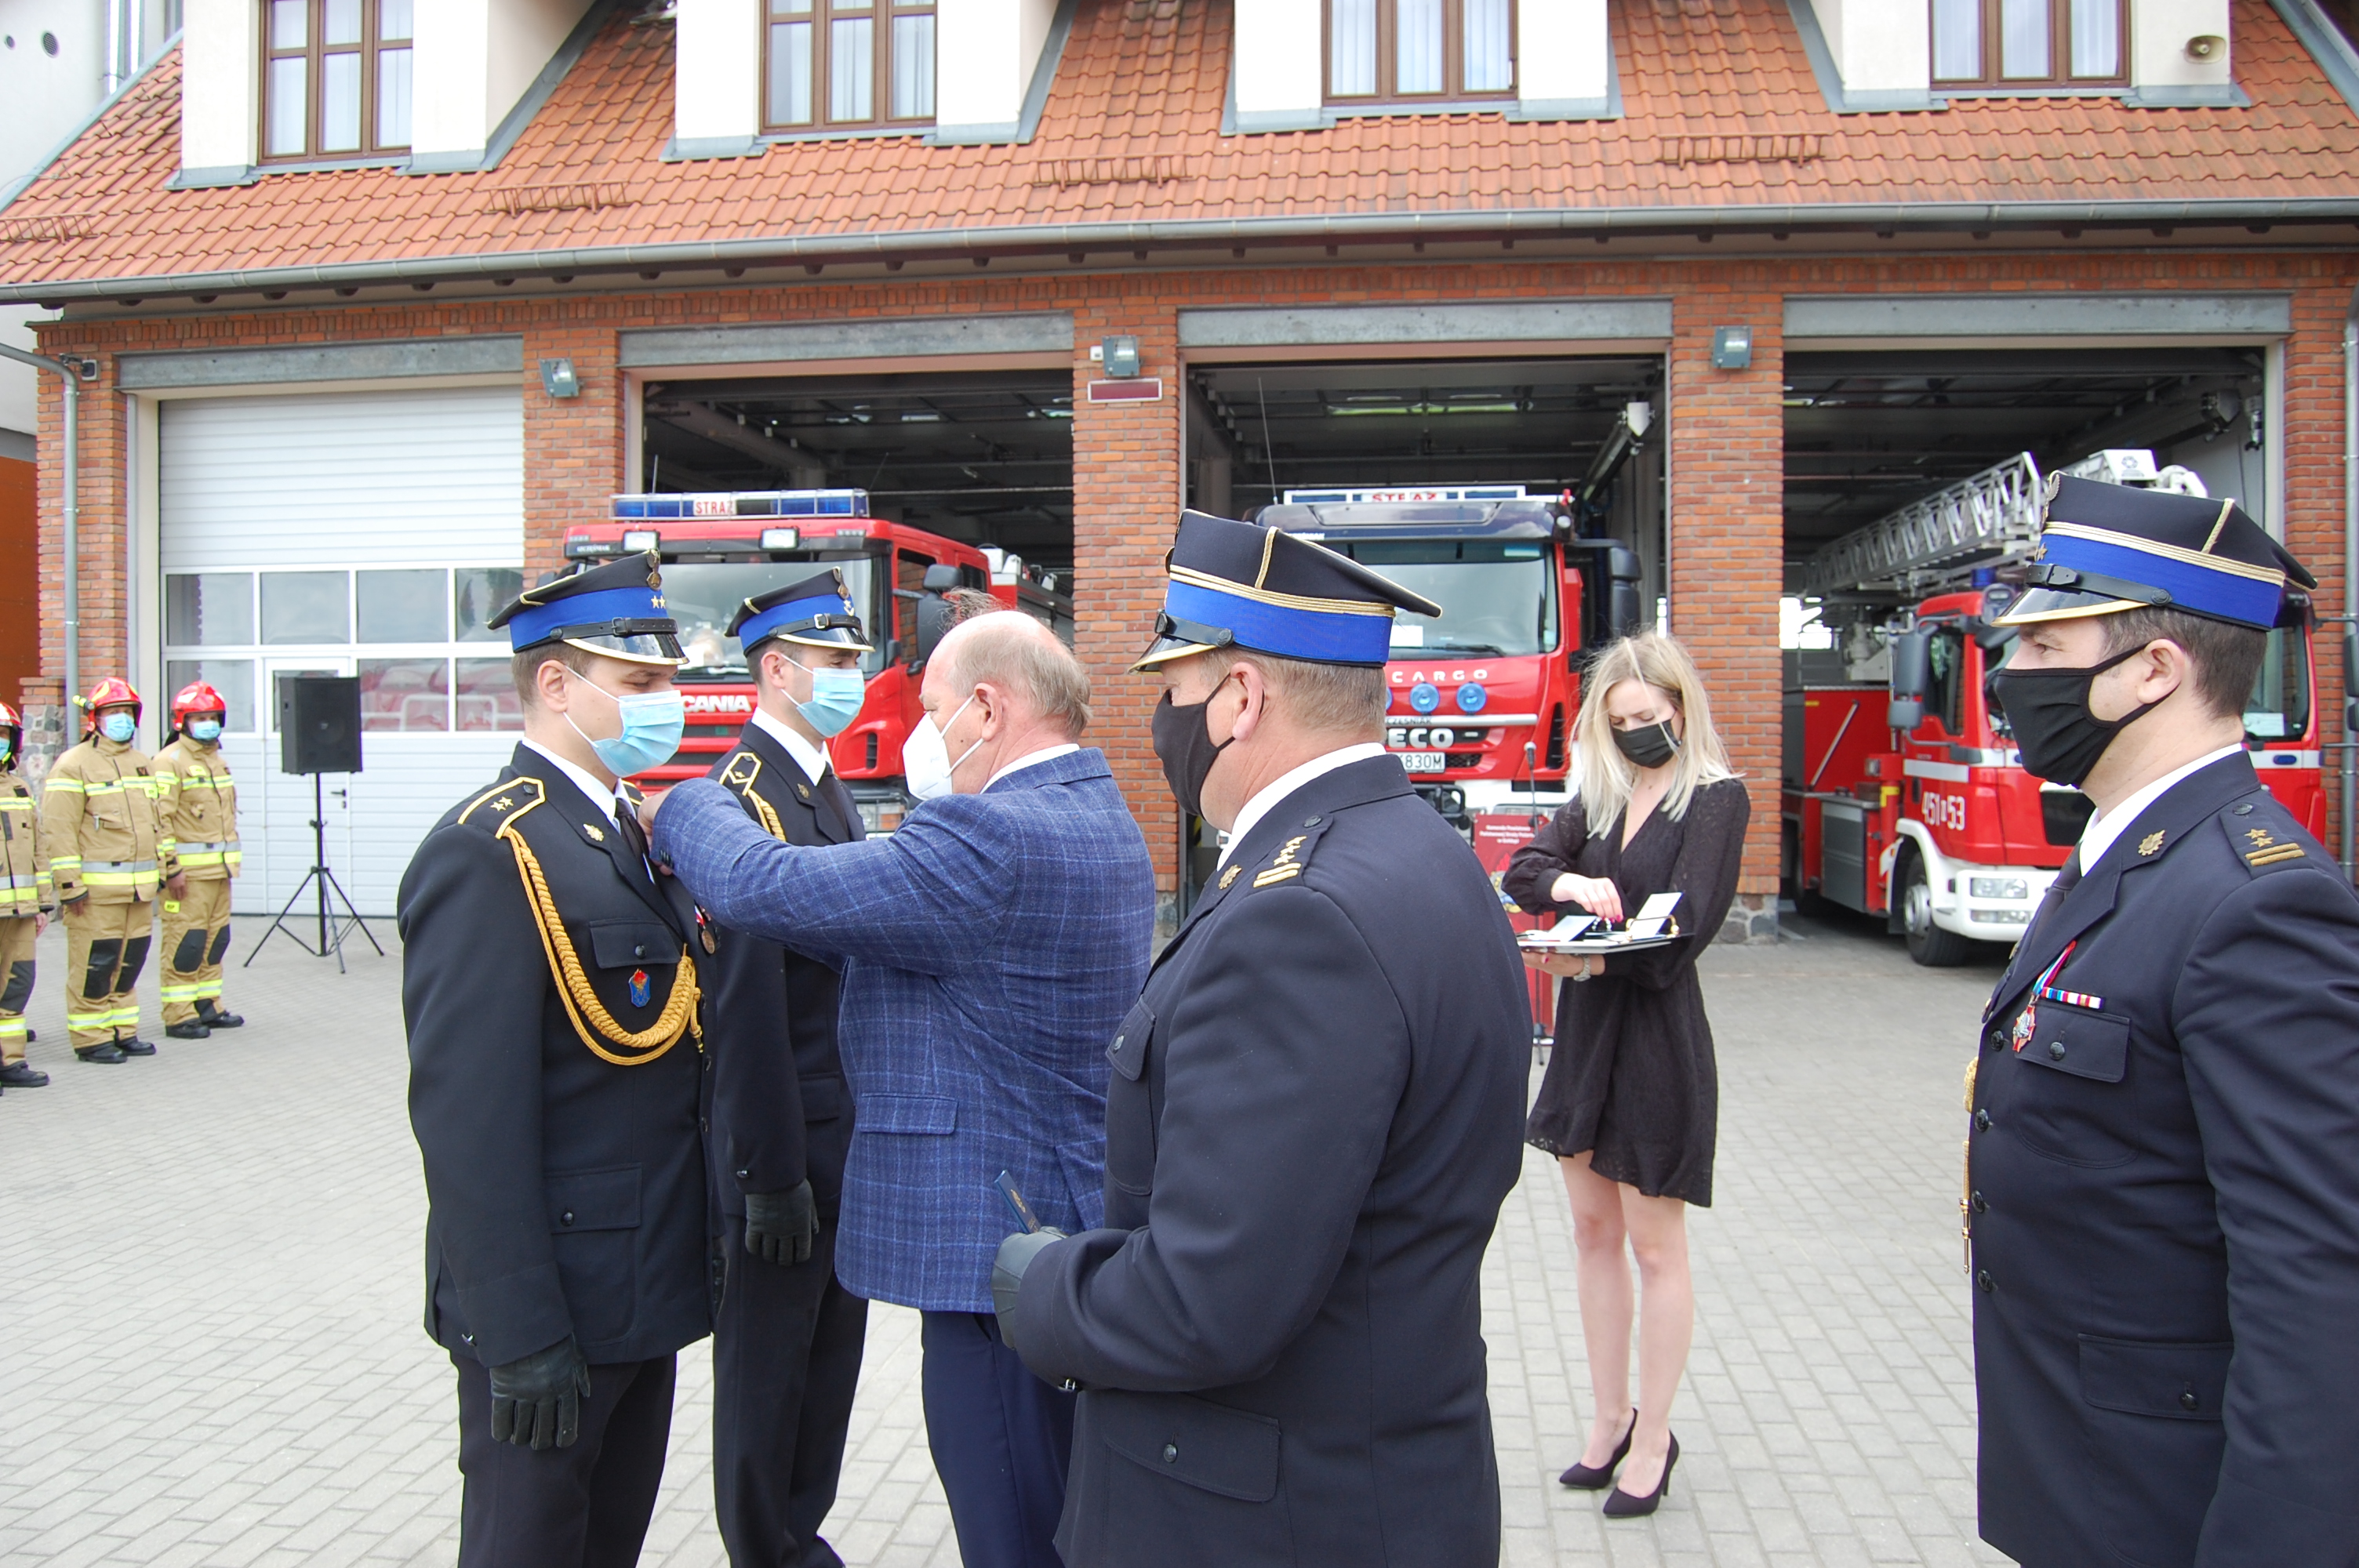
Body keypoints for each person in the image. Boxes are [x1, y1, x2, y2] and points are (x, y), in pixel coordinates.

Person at [993, 511, 1532, 1567]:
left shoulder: (1298, 916)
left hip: (1266, 1515)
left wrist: (1044, 1286)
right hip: (1380, 1481)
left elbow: (1207, 1302)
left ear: (1240, 697)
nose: (1163, 721)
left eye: (1174, 689)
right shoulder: (1421, 852)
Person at [645, 611, 1155, 1568]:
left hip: (994, 1260)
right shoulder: (1099, 810)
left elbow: (761, 883)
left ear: (987, 708)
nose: (921, 731)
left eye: (930, 707)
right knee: (1053, 1508)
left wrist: (679, 806)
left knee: (1010, 1529)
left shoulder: (990, 835)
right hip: (1060, 1226)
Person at [1967, 478, 2359, 1566]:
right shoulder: (2130, 854)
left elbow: (2313, 1279)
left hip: (2166, 1504)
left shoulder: (2255, 902)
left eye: (2045, 647)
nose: (2010, 675)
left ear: (2153, 670)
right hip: (2081, 1472)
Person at [398, 553, 711, 1568]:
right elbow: (468, 1124)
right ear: (555, 684)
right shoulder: (492, 849)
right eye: (640, 682)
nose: (666, 701)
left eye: (667, 680)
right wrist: (518, 1331)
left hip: (640, 1287)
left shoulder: (622, 830)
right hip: (555, 1309)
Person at [1500, 632, 1747, 1517]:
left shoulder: (1715, 798)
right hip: (1586, 1041)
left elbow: (1681, 935)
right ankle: (1607, 1419)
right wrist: (1572, 890)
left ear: (1681, 706)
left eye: (1650, 714)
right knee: (1591, 1234)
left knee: (1654, 1247)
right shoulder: (1600, 797)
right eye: (1622, 719)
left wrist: (1586, 961)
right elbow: (1524, 869)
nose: (1640, 730)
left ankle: (1653, 1436)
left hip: (1654, 1042)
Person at [703, 571, 873, 1568]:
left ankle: (800, 1536)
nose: (852, 675)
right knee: (767, 1375)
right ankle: (764, 1547)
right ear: (777, 669)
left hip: (840, 1139)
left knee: (828, 1365)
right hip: (786, 1154)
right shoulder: (746, 796)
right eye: (835, 660)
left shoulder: (822, 784)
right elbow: (746, 1008)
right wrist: (766, 1174)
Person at [39, 677, 180, 1064]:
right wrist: (70, 887)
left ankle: (122, 1031)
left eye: (127, 711)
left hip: (140, 891)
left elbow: (157, 824)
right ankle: (91, 1038)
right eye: (113, 712)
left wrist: (164, 871)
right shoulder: (73, 765)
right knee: (95, 966)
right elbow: (59, 831)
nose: (122, 719)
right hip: (95, 895)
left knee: (129, 963)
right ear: (95, 719)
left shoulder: (142, 763)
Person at [153, 681, 246, 1040]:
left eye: (212, 717)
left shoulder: (217, 762)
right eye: (199, 718)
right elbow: (160, 821)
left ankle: (208, 1005)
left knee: (215, 941)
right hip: (187, 877)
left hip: (219, 873)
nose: (208, 724)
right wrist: (171, 869)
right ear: (182, 722)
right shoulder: (169, 762)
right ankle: (179, 1014)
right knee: (186, 944)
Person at [1, 699, 53, 1090]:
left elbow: (39, 850)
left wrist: (42, 904)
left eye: (2, 735)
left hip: (19, 912)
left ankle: (10, 1061)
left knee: (17, 984)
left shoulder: (19, 788)